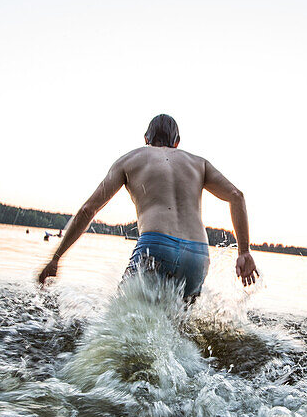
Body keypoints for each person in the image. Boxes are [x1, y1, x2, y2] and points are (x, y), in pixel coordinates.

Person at [38, 114, 258, 299]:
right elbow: (237, 196)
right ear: (177, 141)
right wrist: (244, 251)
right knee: (180, 329)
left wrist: (56, 258)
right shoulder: (198, 163)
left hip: (156, 247)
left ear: (146, 138)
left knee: (123, 318)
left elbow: (88, 210)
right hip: (198, 255)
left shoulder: (130, 159)